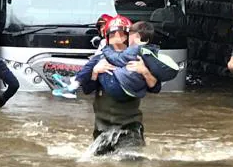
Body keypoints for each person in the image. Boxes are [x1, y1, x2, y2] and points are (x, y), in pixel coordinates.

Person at [76, 15, 161, 156]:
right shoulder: (100, 59)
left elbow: (156, 88)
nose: (117, 39)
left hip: (130, 127)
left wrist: (144, 71)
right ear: (107, 37)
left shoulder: (140, 59)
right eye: (113, 35)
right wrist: (95, 73)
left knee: (131, 163)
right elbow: (86, 89)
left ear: (129, 37)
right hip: (102, 128)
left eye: (121, 35)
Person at [98, 20, 179, 101]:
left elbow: (155, 88)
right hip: (110, 106)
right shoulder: (147, 51)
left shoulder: (133, 51)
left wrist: (144, 71)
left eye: (126, 34)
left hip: (128, 105)